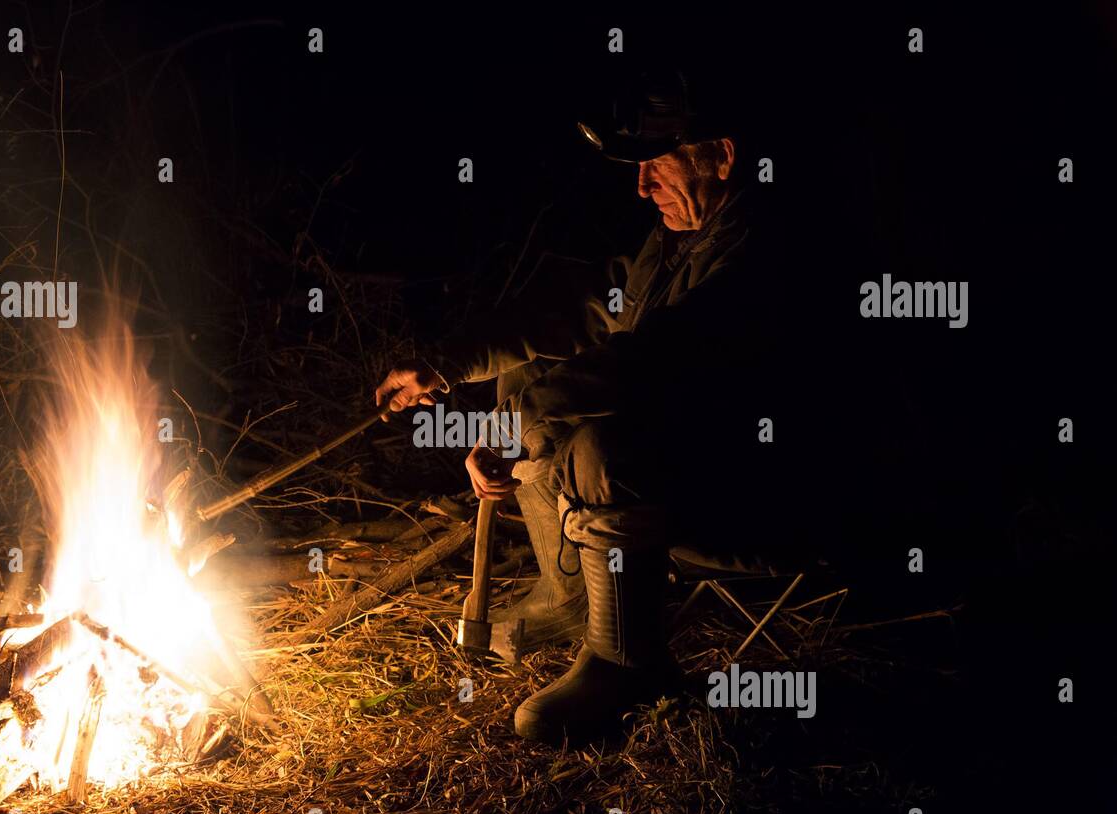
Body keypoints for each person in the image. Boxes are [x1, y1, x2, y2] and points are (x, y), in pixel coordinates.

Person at [376, 72, 886, 745]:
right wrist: (451, 364)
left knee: (602, 447)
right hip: (712, 463)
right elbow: (598, 308)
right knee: (530, 374)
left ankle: (626, 663)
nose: (641, 187)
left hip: (787, 494)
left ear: (723, 154)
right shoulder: (691, 234)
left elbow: (661, 357)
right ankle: (574, 597)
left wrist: (512, 429)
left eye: (655, 165)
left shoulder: (774, 250)